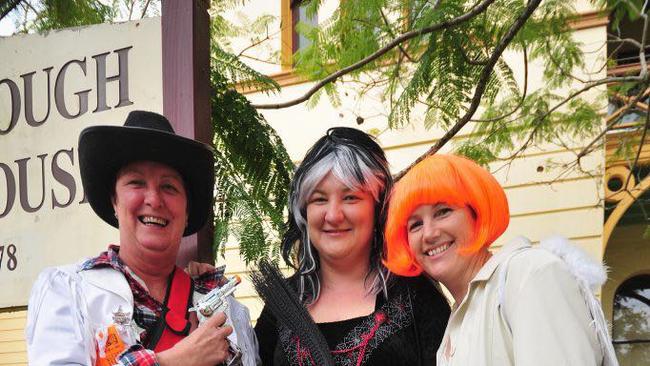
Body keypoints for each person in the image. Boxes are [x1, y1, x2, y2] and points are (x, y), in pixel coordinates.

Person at [25, 111, 259, 366]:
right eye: (136, 183)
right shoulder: (70, 293)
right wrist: (174, 361)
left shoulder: (223, 306)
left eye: (168, 187)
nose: (154, 200)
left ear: (187, 210)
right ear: (114, 201)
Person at [384, 154, 618, 365]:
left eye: (443, 212)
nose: (429, 233)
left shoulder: (529, 275)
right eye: (415, 224)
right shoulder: (455, 322)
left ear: (476, 214)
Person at [254, 127, 450, 366]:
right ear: (304, 213)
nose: (333, 215)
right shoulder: (281, 303)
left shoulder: (415, 296)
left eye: (350, 198)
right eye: (319, 199)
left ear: (377, 209)